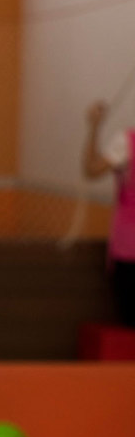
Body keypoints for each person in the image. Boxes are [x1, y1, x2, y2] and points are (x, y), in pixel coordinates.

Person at [83, 100, 135, 326]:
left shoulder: (128, 142)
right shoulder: (127, 142)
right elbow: (93, 170)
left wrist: (94, 126)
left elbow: (92, 169)